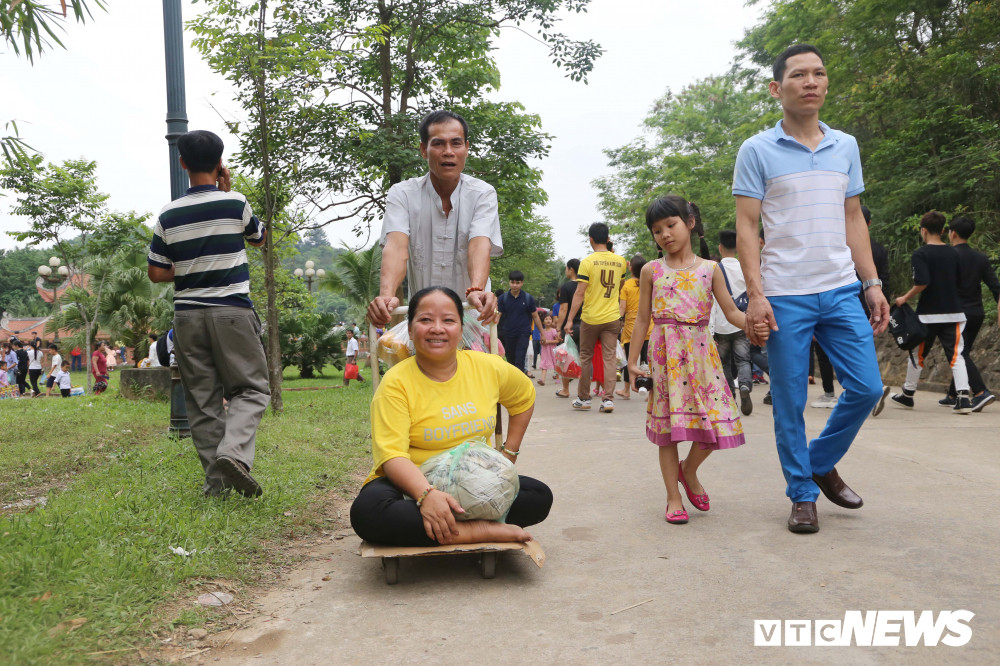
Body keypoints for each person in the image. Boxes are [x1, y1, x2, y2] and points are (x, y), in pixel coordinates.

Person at [734, 44, 889, 534]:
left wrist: (873, 283)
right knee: (788, 400)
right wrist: (756, 294)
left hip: (842, 288)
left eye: (819, 73)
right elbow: (745, 227)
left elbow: (853, 218)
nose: (811, 82)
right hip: (784, 294)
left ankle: (818, 462)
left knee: (866, 387)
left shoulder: (845, 146)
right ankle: (802, 494)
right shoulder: (757, 149)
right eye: (799, 75)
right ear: (778, 88)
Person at [350, 286, 552, 546]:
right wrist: (426, 495)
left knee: (538, 495)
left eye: (448, 320)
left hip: (474, 478)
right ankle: (478, 530)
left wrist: (509, 454)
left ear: (461, 328)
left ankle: (443, 524)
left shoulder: (487, 367)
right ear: (410, 330)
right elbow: (392, 456)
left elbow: (524, 398)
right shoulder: (395, 383)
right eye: (425, 320)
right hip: (409, 484)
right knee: (368, 513)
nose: (437, 328)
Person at [628, 196, 770, 524]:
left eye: (671, 225)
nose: (665, 234)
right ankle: (673, 496)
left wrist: (755, 323)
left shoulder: (711, 270)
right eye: (657, 230)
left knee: (716, 425)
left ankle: (688, 470)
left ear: (690, 223)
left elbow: (733, 311)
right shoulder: (651, 270)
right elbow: (641, 319)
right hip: (665, 359)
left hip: (703, 357)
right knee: (669, 430)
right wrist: (633, 362)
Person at [148, 129, 271, 498]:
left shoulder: (168, 214)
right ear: (220, 163)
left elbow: (156, 272)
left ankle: (216, 486)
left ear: (182, 163)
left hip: (187, 318)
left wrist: (188, 268)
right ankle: (233, 453)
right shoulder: (235, 202)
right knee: (250, 389)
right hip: (231, 311)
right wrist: (228, 188)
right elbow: (259, 239)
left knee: (201, 400)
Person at [367, 110, 502, 328]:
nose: (448, 152)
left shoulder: (483, 193)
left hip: (472, 318)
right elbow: (396, 246)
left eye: (456, 143)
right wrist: (386, 296)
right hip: (423, 324)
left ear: (466, 149)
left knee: (480, 362)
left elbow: (480, 243)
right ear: (423, 149)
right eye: (438, 144)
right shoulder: (402, 194)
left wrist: (477, 290)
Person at [890, 211, 974, 414]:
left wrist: (904, 298)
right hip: (953, 312)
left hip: (927, 314)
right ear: (944, 230)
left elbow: (922, 282)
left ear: (924, 230)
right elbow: (961, 282)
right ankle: (963, 398)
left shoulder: (921, 254)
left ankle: (908, 395)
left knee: (917, 354)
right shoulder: (955, 253)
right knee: (956, 354)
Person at [563, 223, 628, 413]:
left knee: (586, 357)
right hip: (612, 317)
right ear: (608, 239)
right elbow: (620, 285)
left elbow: (580, 293)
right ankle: (608, 399)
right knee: (609, 358)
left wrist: (569, 320)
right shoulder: (620, 261)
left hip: (591, 318)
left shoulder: (588, 262)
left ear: (590, 239)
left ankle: (584, 399)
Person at [940, 215, 999, 412]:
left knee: (959, 354)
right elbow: (995, 287)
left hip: (957, 314)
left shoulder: (947, 256)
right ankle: (953, 394)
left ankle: (981, 392)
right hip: (977, 313)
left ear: (953, 233)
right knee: (962, 351)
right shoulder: (980, 258)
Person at [710, 230, 754, 416]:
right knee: (743, 359)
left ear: (720, 248)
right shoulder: (745, 267)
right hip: (741, 321)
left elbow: (711, 300)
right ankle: (744, 384)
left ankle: (730, 399)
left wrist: (710, 329)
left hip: (721, 323)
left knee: (724, 364)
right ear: (737, 248)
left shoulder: (714, 269)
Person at [617, 254, 652, 402]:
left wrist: (617, 321)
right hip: (650, 326)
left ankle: (626, 390)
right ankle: (650, 391)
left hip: (632, 327)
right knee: (648, 360)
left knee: (630, 360)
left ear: (630, 267)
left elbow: (622, 307)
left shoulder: (626, 285)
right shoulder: (649, 282)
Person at [497, 270, 544, 375]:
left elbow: (535, 316)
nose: (515, 285)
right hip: (508, 334)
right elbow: (498, 316)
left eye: (517, 283)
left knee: (520, 358)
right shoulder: (502, 299)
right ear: (509, 282)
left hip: (523, 334)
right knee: (510, 360)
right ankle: (513, 385)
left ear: (522, 283)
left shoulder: (528, 298)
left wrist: (542, 333)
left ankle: (520, 386)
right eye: (512, 282)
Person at [554, 259, 581, 398]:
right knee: (585, 358)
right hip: (586, 325)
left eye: (566, 268)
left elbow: (563, 309)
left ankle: (565, 389)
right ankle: (584, 392)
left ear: (571, 270)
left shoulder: (566, 287)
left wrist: (558, 328)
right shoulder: (586, 286)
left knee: (565, 357)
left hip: (569, 328)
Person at [536, 314, 558, 386]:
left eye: (550, 319)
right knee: (544, 365)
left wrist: (548, 341)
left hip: (553, 350)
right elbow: (541, 341)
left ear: (552, 321)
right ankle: (542, 380)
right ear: (543, 322)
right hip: (545, 350)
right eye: (546, 319)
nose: (548, 320)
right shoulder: (542, 332)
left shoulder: (553, 331)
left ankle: (558, 379)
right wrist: (542, 342)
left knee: (556, 364)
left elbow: (557, 341)